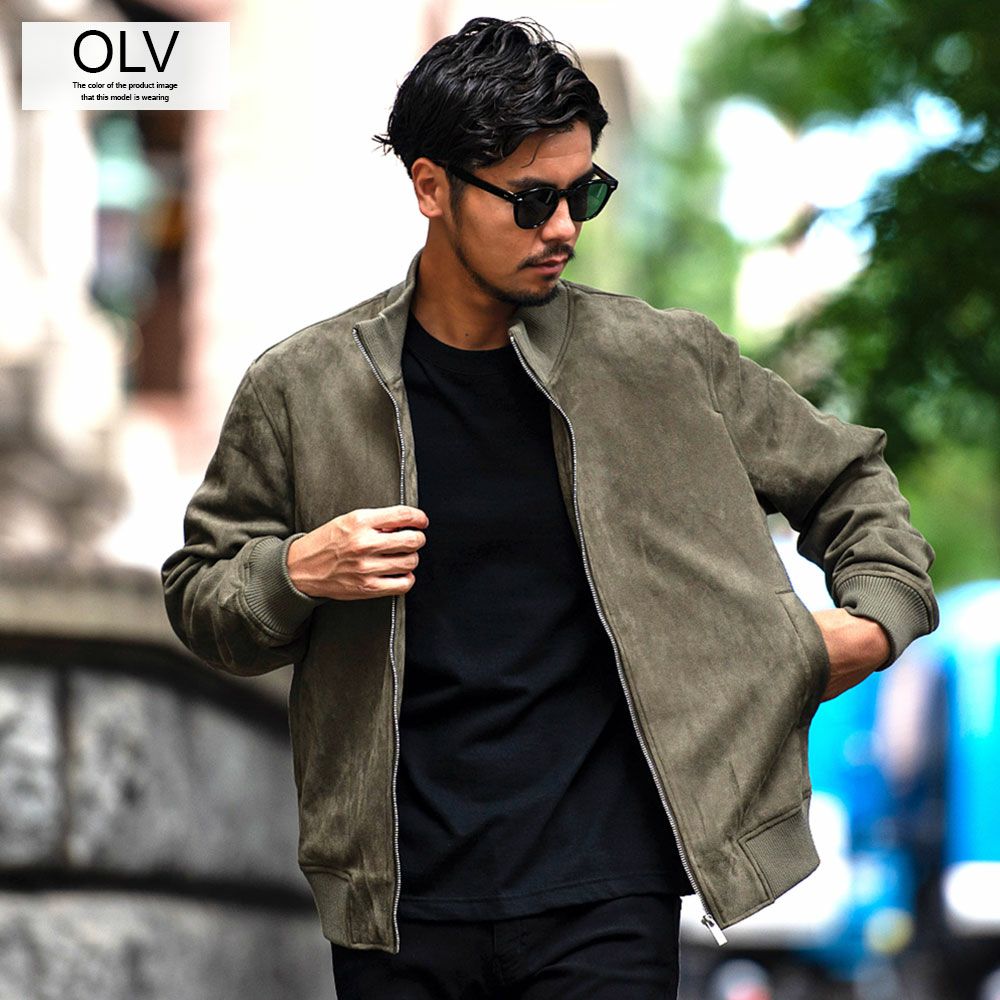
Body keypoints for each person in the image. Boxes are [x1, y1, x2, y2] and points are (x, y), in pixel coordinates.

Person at [161, 16, 939, 999]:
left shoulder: (660, 361)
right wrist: (294, 572)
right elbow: (200, 597)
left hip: (606, 894)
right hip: (400, 908)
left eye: (584, 194)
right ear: (431, 187)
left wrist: (875, 623)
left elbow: (849, 477)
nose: (564, 228)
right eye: (532, 200)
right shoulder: (303, 387)